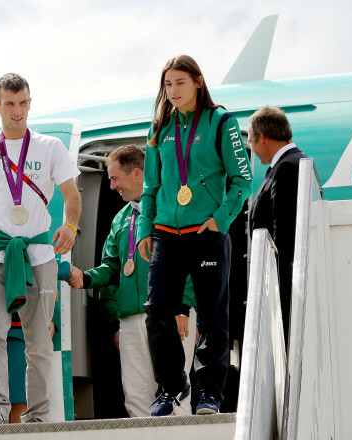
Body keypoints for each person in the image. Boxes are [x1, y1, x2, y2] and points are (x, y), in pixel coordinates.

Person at [0, 73, 81, 424]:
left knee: (39, 340)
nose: (17, 110)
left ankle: (39, 415)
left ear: (30, 103)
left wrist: (70, 226)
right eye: (9, 103)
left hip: (39, 256)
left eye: (23, 102)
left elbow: (72, 194)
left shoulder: (50, 148)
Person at [136, 55, 252, 416]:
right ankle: (170, 388)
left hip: (207, 234)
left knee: (212, 315)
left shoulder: (221, 122)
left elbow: (243, 179)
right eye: (167, 84)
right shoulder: (159, 129)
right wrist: (145, 229)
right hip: (167, 235)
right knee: (156, 312)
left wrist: (221, 219)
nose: (172, 91)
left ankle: (209, 393)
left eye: (180, 83)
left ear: (198, 82)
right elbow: (150, 187)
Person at [67, 145, 197, 417]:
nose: (112, 186)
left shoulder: (172, 208)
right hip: (130, 321)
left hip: (171, 315)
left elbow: (190, 261)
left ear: (137, 174)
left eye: (115, 178)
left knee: (175, 395)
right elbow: (112, 267)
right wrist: (86, 278)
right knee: (136, 398)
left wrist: (183, 307)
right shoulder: (121, 219)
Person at [248, 105, 307, 344]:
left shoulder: (287, 168)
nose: (251, 147)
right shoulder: (287, 164)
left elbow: (283, 234)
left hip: (282, 284)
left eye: (250, 140)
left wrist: (275, 290)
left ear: (262, 137)